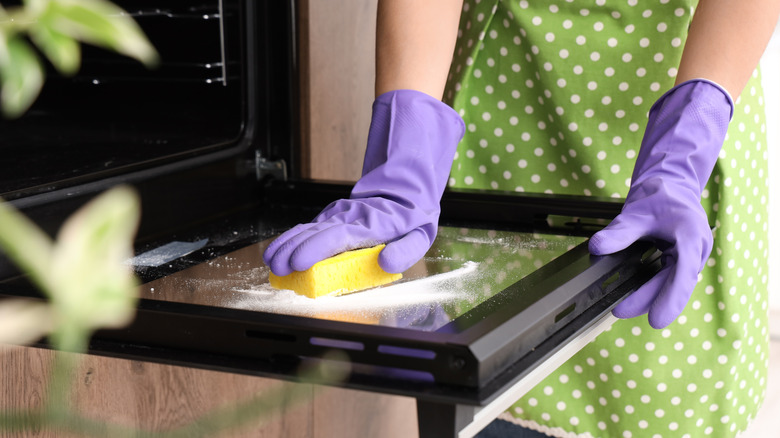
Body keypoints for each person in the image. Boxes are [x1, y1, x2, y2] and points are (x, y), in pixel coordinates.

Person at [264, 0, 780, 436]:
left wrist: (682, 150)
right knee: (487, 377)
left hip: (688, 99)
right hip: (503, 112)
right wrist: (402, 162)